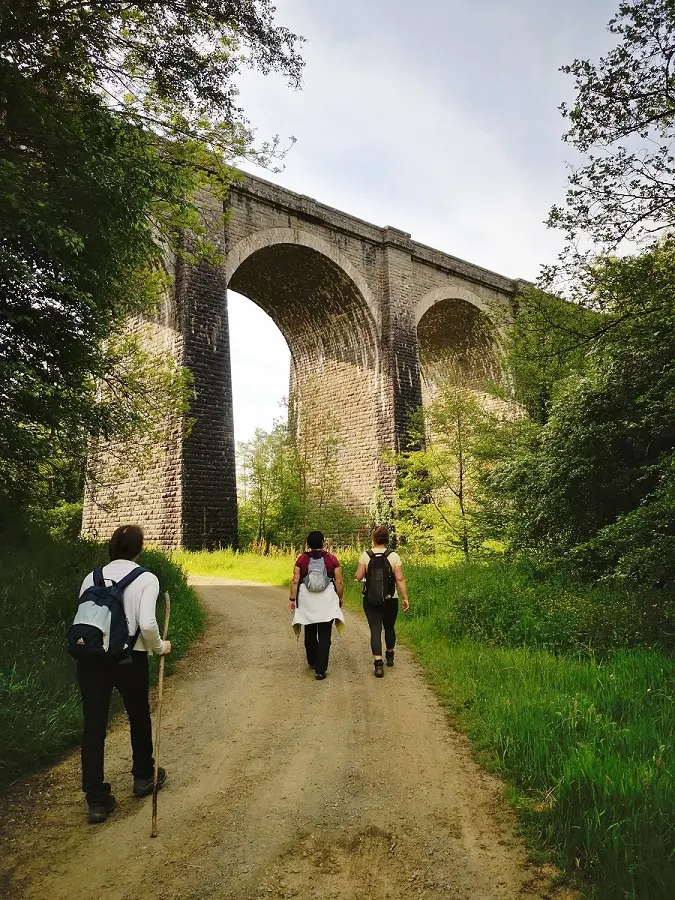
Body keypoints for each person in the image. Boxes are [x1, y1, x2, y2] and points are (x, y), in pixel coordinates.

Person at [76, 524, 172, 823]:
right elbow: (146, 623)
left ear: (112, 548)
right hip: (130, 659)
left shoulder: (90, 577)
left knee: (93, 727)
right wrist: (160, 647)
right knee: (138, 715)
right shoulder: (146, 578)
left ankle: (96, 800)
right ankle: (143, 777)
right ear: (139, 549)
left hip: (90, 659)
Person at [355, 525, 409, 678]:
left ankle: (378, 664)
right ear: (387, 539)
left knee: (375, 629)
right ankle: (390, 655)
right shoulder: (394, 556)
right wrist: (405, 597)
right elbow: (399, 578)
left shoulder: (366, 555)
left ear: (373, 538)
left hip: (370, 599)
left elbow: (358, 577)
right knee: (389, 627)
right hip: (390, 598)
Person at [289, 531, 344, 680]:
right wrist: (339, 597)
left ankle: (312, 661)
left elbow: (295, 580)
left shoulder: (301, 559)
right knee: (325, 634)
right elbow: (338, 581)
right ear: (323, 543)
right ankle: (321, 670)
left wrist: (292, 599)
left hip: (307, 600)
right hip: (326, 600)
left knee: (310, 630)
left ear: (308, 544)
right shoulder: (332, 559)